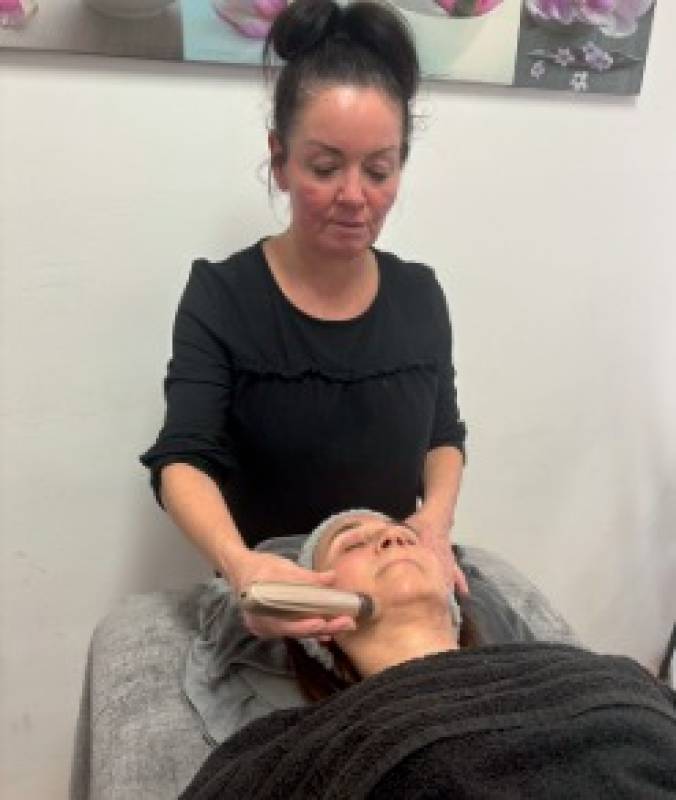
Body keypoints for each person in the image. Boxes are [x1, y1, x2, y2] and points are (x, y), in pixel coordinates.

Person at [141, 0, 468, 643]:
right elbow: (182, 459)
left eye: (379, 170)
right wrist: (240, 565)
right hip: (278, 605)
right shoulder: (224, 296)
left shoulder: (419, 294)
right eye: (325, 168)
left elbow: (443, 436)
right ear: (280, 158)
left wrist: (435, 522)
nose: (355, 196)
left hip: (389, 604)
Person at [180, 509, 676, 799]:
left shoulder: (608, 675)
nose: (392, 535)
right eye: (353, 544)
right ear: (318, 620)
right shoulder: (286, 746)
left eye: (406, 535)